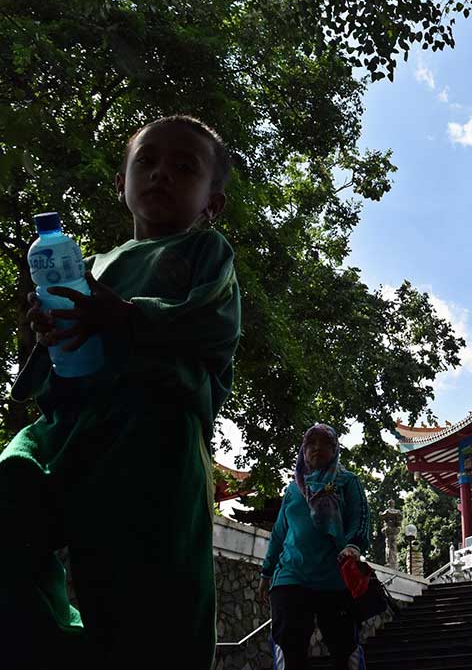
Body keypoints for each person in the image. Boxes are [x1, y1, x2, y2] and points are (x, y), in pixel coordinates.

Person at [0, 115, 241, 669]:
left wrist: (123, 315)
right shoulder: (87, 266)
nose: (161, 173)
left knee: (156, 604)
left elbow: (212, 324)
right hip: (69, 429)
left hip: (155, 436)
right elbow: (57, 371)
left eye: (185, 167)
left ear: (212, 203)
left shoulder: (207, 252)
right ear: (120, 183)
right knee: (9, 499)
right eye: (146, 161)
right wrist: (47, 331)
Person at [260, 423, 373, 670]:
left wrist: (353, 545)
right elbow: (279, 533)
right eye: (311, 443)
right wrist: (266, 572)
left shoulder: (348, 481)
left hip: (336, 579)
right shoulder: (293, 489)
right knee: (288, 649)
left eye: (325, 443)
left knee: (346, 651)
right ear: (303, 450)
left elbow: (361, 518)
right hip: (290, 577)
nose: (317, 448)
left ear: (335, 450)